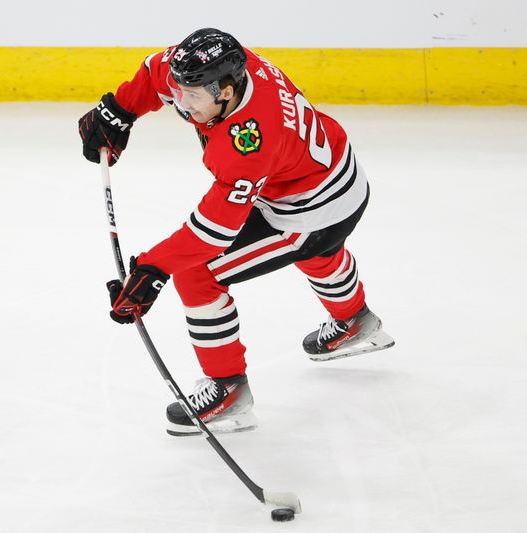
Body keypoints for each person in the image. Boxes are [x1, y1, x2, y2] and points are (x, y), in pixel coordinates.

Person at [78, 28, 394, 436]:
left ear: (225, 92)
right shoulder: (220, 68)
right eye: (180, 91)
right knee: (318, 253)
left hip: (312, 212)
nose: (181, 103)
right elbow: (158, 71)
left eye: (192, 97)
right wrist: (119, 110)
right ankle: (354, 321)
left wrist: (153, 269)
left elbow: (213, 233)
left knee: (200, 272)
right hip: (336, 176)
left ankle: (228, 392)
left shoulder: (248, 142)